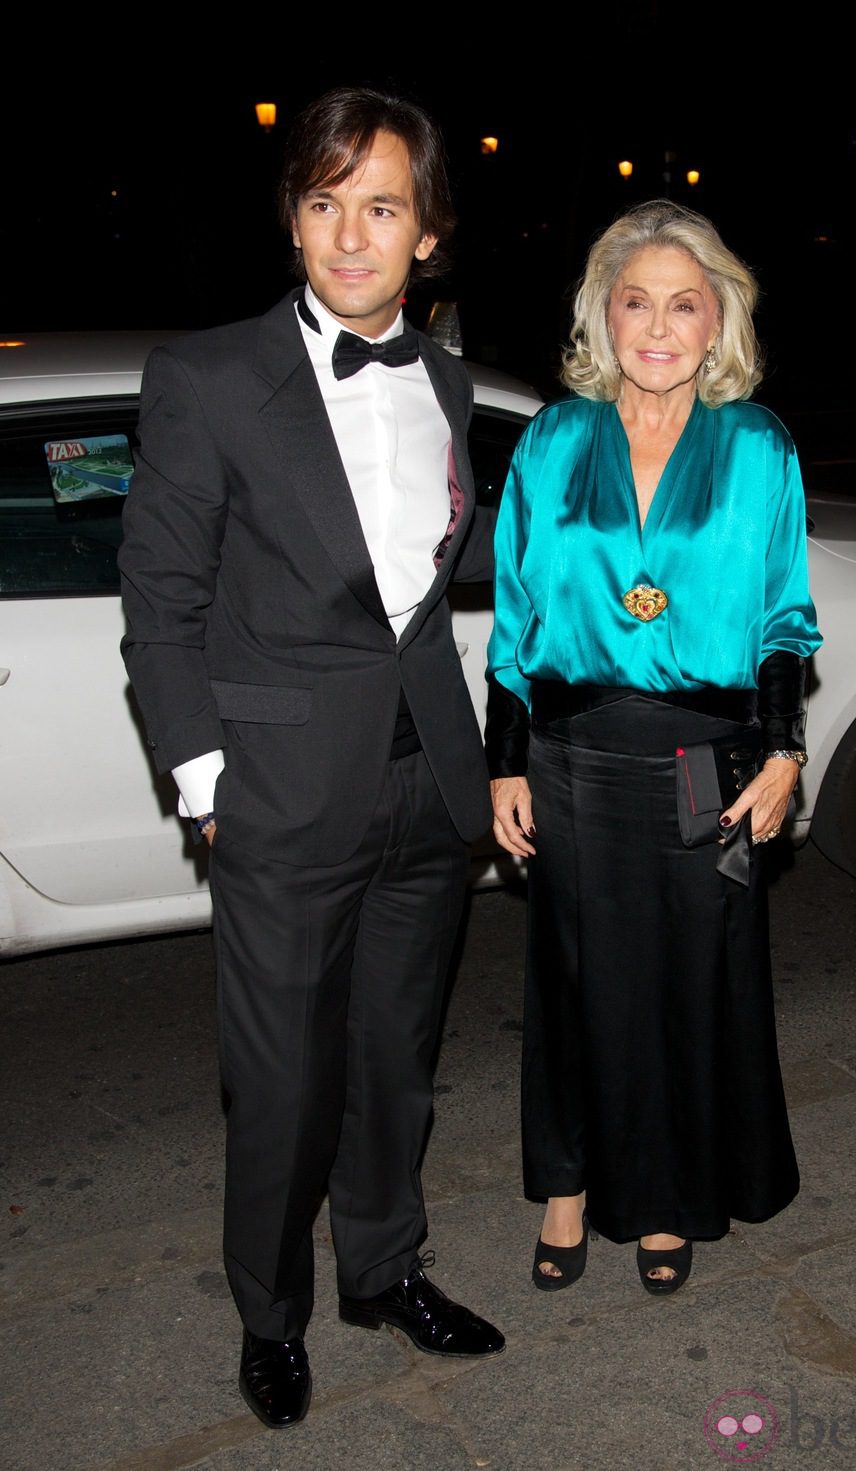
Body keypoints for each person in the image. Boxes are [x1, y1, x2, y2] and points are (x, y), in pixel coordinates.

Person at [118, 85, 504, 1430]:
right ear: (293, 220)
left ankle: (383, 1269)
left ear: (429, 233)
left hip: (425, 785)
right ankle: (270, 1314)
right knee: (283, 1082)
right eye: (326, 202)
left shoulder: (446, 378)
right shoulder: (211, 376)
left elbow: (425, 590)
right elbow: (159, 608)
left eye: (382, 205)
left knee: (395, 1058)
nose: (352, 234)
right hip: (281, 799)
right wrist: (211, 789)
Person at [486, 200, 822, 1297]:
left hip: (705, 765)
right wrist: (503, 762)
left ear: (716, 317)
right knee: (575, 980)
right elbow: (516, 620)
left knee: (690, 982)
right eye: (638, 301)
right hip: (572, 758)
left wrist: (782, 753)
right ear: (604, 312)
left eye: (685, 303)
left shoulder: (756, 444)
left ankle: (671, 1193)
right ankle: (568, 1185)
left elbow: (782, 616)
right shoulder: (552, 440)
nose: (660, 325)